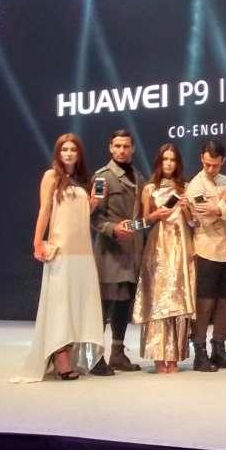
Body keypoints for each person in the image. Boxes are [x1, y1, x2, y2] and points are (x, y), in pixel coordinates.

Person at [13, 134, 104, 382]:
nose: (69, 153)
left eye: (73, 149)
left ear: (79, 153)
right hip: (61, 250)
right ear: (58, 152)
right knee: (60, 305)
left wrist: (94, 203)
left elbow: (81, 215)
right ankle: (60, 355)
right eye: (64, 149)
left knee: (77, 304)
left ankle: (69, 353)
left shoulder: (84, 180)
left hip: (83, 253)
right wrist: (37, 242)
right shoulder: (51, 176)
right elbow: (44, 210)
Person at [132, 144, 196, 374]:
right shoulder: (149, 189)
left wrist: (187, 208)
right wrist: (154, 215)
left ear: (178, 163)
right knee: (158, 300)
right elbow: (142, 222)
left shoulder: (185, 188)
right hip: (158, 248)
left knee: (179, 299)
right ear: (159, 162)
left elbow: (194, 223)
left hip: (181, 248)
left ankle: (175, 356)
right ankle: (159, 356)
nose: (169, 163)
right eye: (165, 159)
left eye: (173, 160)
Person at [187, 139, 226, 372]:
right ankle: (199, 351)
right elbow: (205, 218)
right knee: (205, 303)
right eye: (207, 164)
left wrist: (218, 208)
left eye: (216, 165)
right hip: (206, 250)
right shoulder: (195, 186)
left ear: (223, 161)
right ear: (201, 159)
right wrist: (222, 202)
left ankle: (219, 348)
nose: (211, 169)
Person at [91, 129, 145, 374]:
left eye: (126, 146)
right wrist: (113, 229)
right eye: (118, 146)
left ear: (133, 148)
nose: (122, 150)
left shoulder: (138, 177)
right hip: (110, 251)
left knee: (124, 303)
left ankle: (117, 353)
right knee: (103, 305)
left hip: (132, 251)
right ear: (110, 148)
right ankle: (94, 357)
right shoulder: (102, 177)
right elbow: (93, 217)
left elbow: (138, 218)